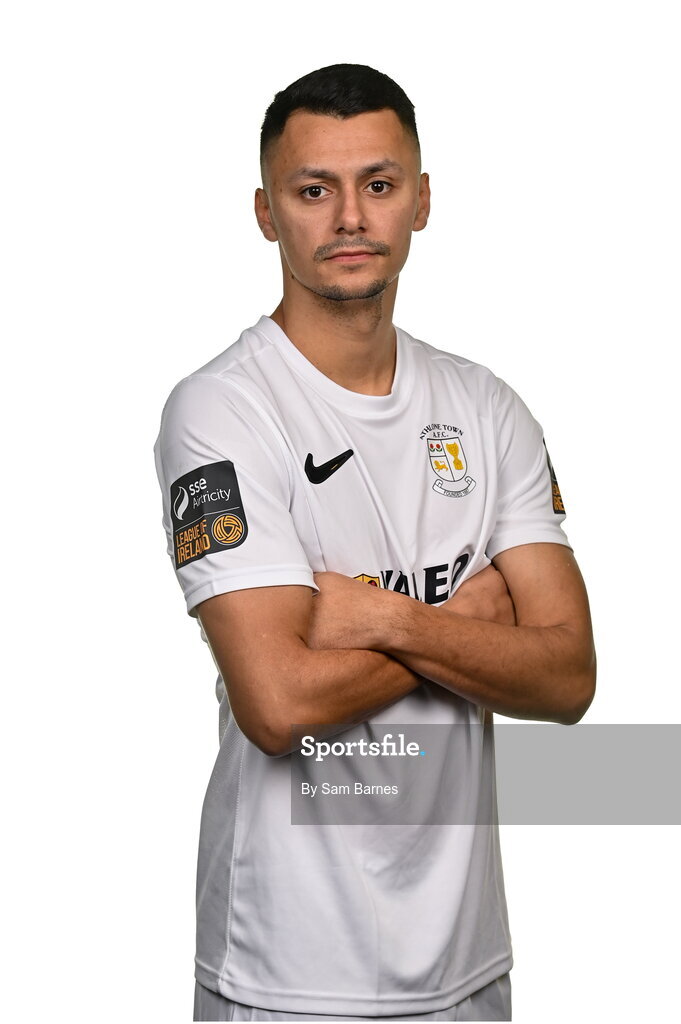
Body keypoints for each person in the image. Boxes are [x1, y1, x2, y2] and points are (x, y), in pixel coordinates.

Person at [153, 64, 596, 1023]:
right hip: (286, 971)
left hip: (468, 965)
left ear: (421, 201)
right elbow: (278, 705)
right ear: (268, 212)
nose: (349, 217)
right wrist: (465, 624)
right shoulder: (220, 412)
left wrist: (386, 619)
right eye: (314, 190)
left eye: (378, 184)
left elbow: (565, 679)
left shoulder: (486, 407)